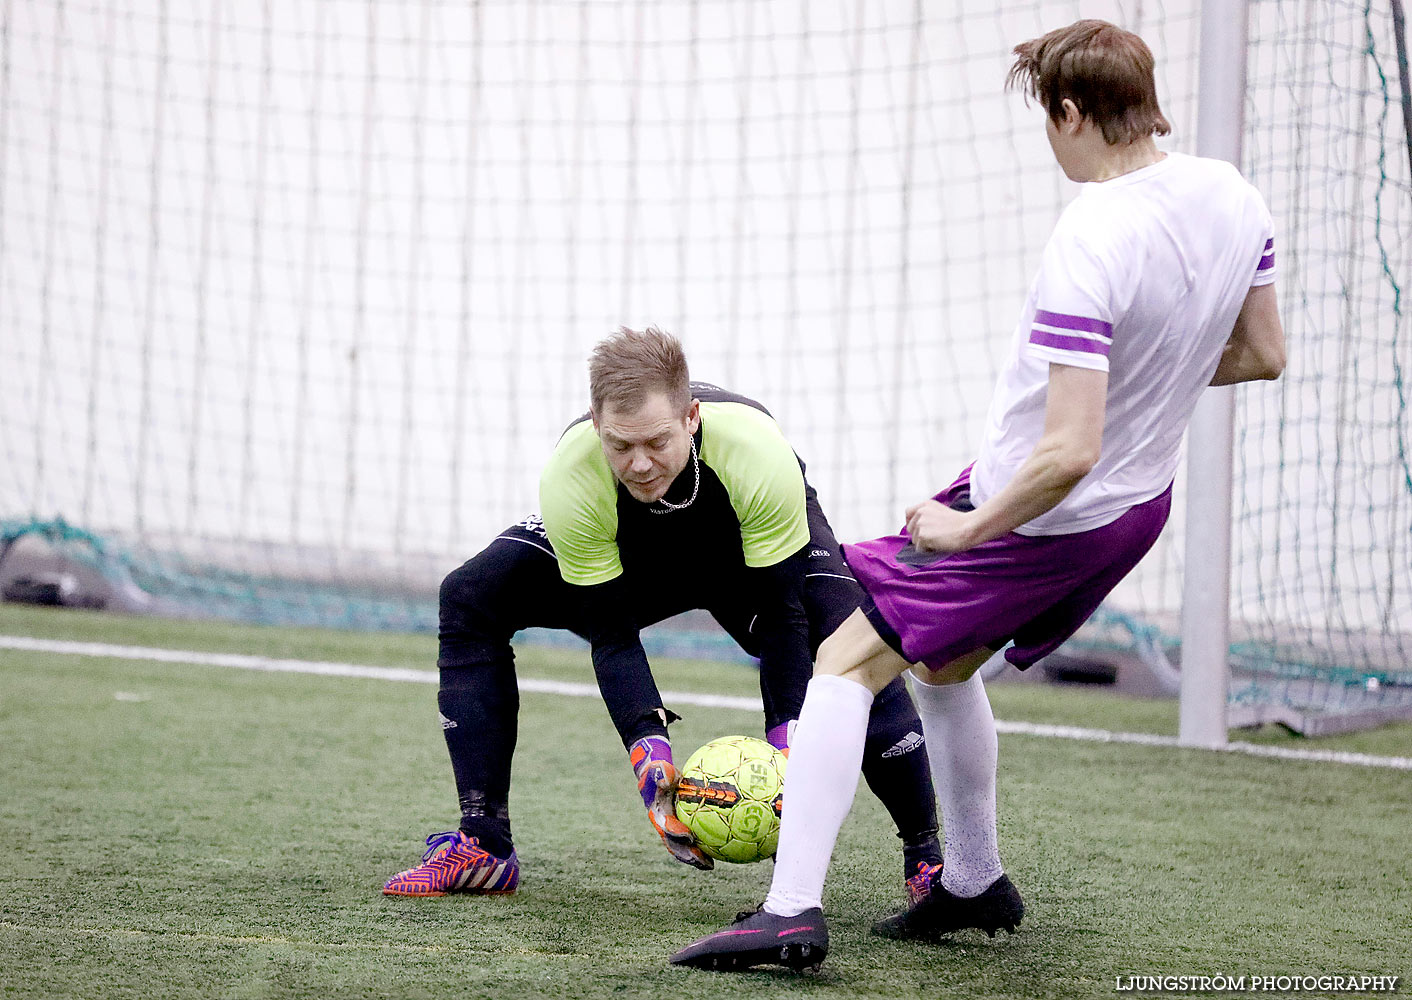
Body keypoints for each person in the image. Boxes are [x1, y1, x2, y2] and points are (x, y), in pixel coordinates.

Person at [670, 18, 1286, 971]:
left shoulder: (1093, 234)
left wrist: (967, 528)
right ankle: (972, 879)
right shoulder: (1232, 193)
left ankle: (789, 913)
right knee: (943, 666)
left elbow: (1069, 450)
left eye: (1048, 118)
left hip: (1048, 510)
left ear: (1072, 112)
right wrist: (1147, 381)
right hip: (1136, 506)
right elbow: (1261, 354)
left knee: (843, 661)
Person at [382, 326, 944, 897]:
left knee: (848, 640)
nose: (641, 463)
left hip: (741, 554)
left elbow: (782, 621)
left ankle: (926, 861)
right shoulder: (572, 475)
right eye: (621, 446)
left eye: (656, 441)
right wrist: (650, 760)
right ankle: (484, 845)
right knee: (469, 596)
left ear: (691, 417)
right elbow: (612, 635)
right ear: (597, 427)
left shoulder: (757, 453)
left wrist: (787, 752)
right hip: (637, 554)